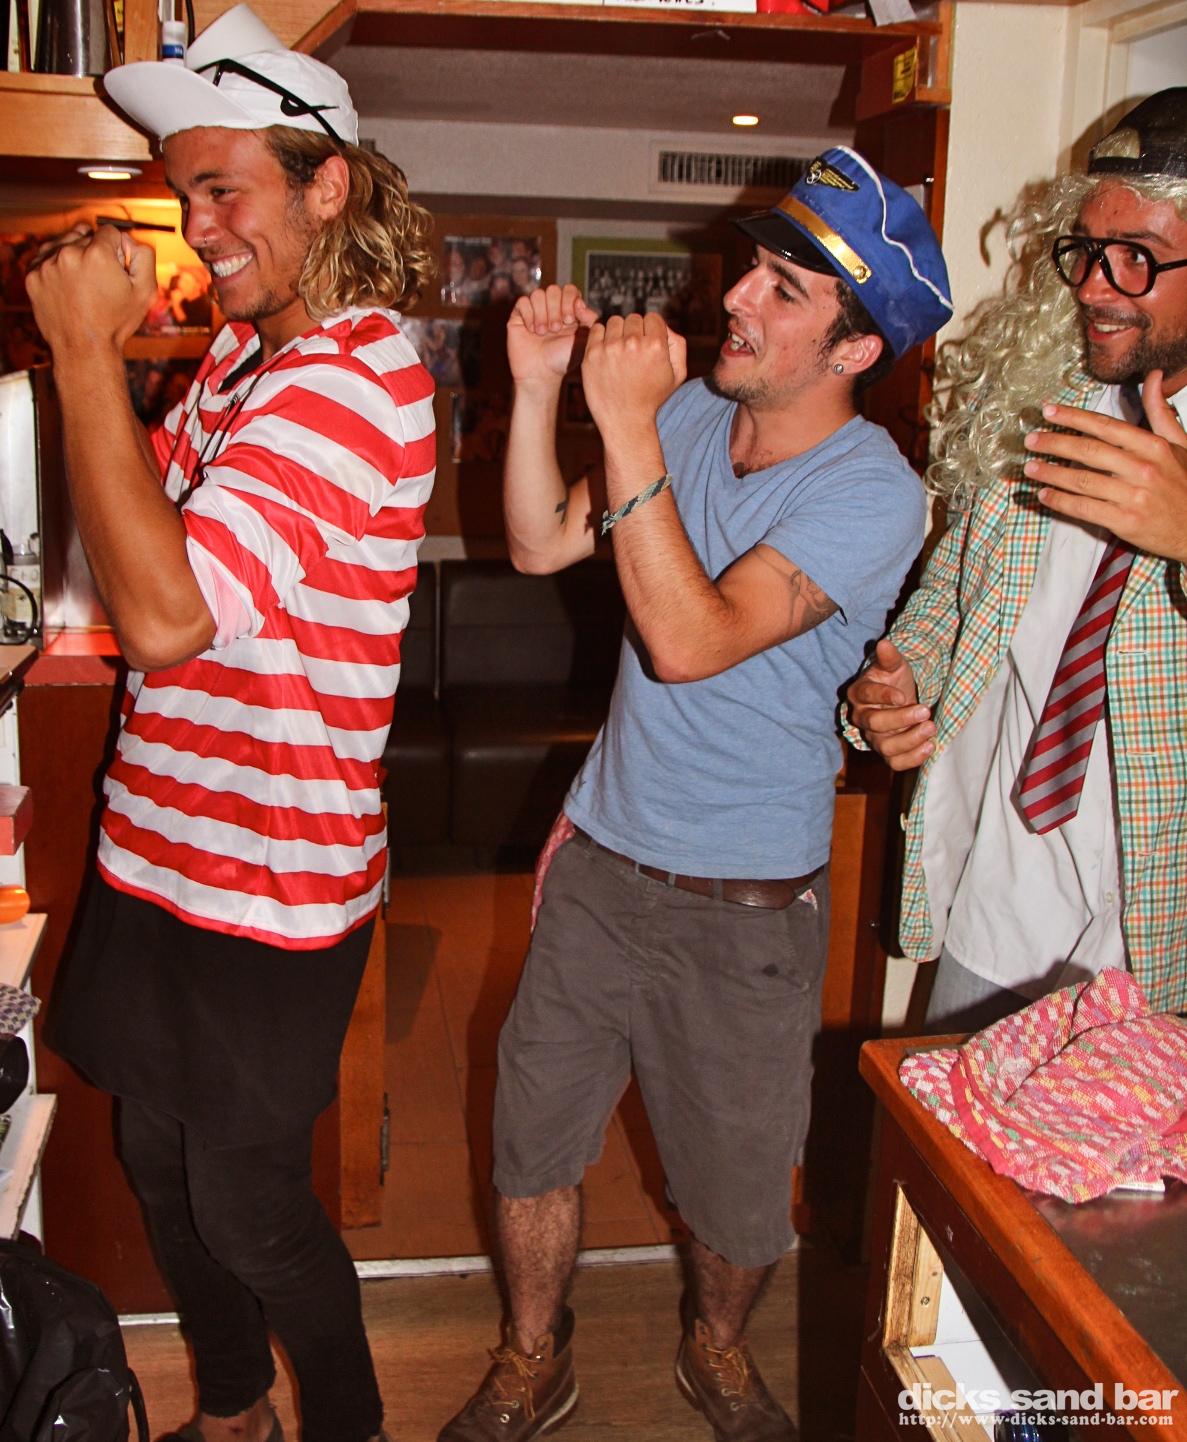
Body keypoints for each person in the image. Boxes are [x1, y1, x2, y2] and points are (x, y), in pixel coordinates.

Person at [438, 147, 951, 1442]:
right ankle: (530, 1352)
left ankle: (713, 1348)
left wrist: (622, 425)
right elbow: (537, 542)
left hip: (745, 903)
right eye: (750, 269)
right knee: (530, 1141)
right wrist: (539, 385)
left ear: (852, 349)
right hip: (600, 862)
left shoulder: (870, 492)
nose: (734, 297)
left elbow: (691, 637)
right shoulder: (680, 421)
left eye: (783, 289)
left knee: (733, 1195)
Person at [25, 7, 436, 1442]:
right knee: (155, 1153)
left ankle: (348, 1425)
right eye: (184, 191)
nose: (199, 228)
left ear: (327, 187)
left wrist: (84, 353)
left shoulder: (357, 377)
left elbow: (164, 615)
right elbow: (134, 545)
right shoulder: (241, 361)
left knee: (251, 1205)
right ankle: (237, 1405)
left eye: (224, 189)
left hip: (272, 875)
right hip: (160, 840)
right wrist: (113, 373)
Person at [845, 88, 1187, 1032]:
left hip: (1156, 954)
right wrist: (898, 684)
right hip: (996, 914)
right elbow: (955, 599)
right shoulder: (1043, 403)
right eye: (1087, 251)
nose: (1092, 287)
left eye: (1137, 257)